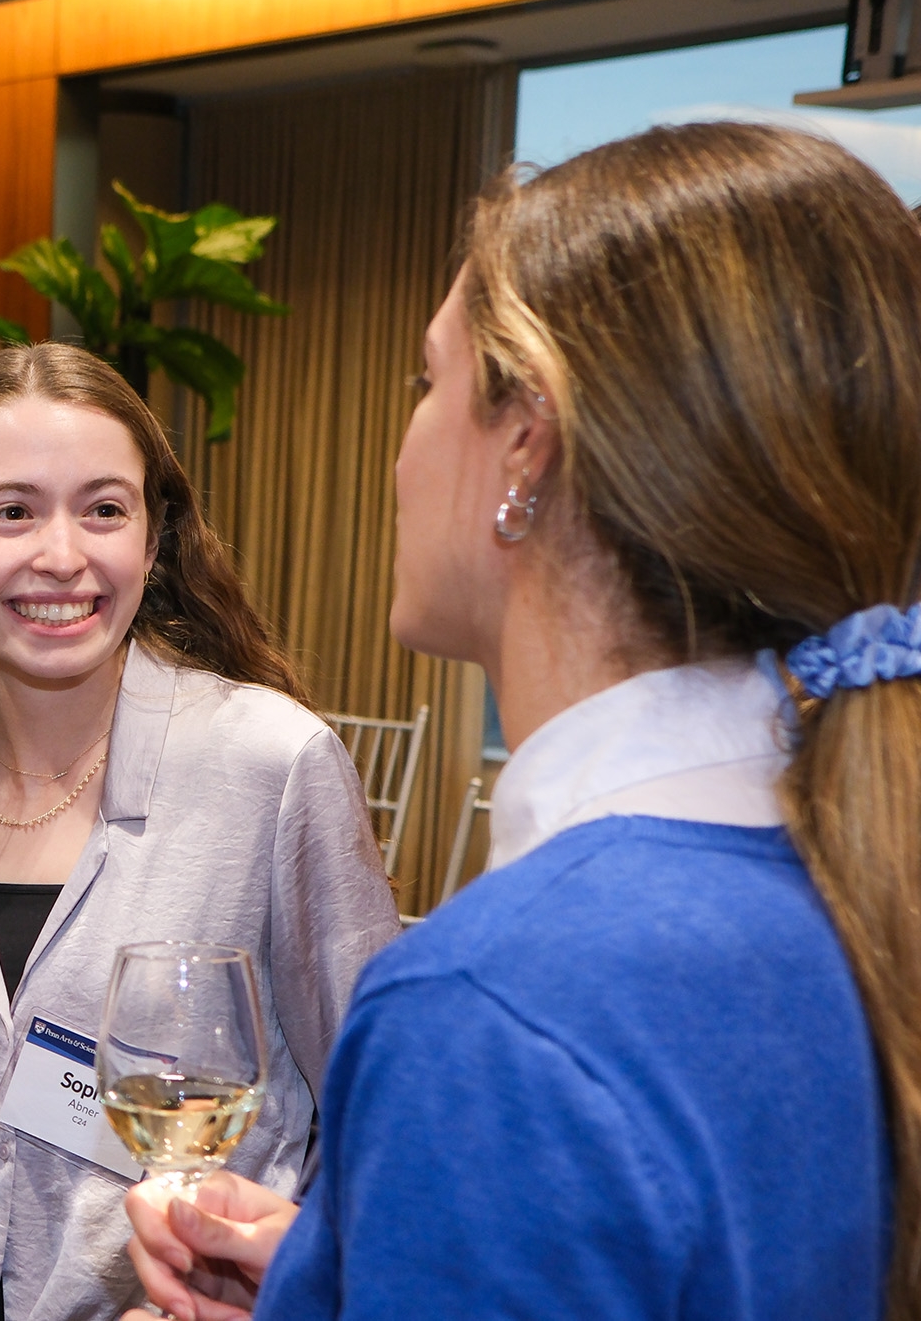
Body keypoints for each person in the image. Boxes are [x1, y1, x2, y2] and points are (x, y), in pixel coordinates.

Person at [123, 121, 911, 1320]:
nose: (403, 442)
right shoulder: (845, 882)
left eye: (424, 382)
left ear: (524, 444)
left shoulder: (491, 1010)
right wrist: (340, 1270)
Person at [0, 343, 401, 1321]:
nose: (62, 554)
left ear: (151, 540)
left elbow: (386, 1117)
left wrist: (265, 1282)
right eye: (12, 510)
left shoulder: (270, 766)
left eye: (103, 508)